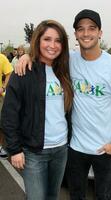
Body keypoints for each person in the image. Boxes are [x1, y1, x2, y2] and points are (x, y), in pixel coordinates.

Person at [14, 9, 111, 200]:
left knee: (104, 195)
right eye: (81, 29)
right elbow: (46, 54)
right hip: (75, 147)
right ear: (76, 34)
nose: (86, 33)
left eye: (92, 28)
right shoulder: (69, 60)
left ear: (100, 33)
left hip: (104, 148)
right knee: (76, 195)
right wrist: (27, 56)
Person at [1, 20, 73, 200]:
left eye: (58, 41)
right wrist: (15, 149)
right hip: (33, 152)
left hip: (60, 149)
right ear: (37, 41)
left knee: (52, 196)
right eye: (47, 39)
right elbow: (9, 114)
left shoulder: (64, 70)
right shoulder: (24, 71)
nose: (52, 45)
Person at [0, 53, 13, 159]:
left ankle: (0, 147)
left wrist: (3, 87)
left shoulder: (1, 58)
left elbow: (9, 73)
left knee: (1, 123)